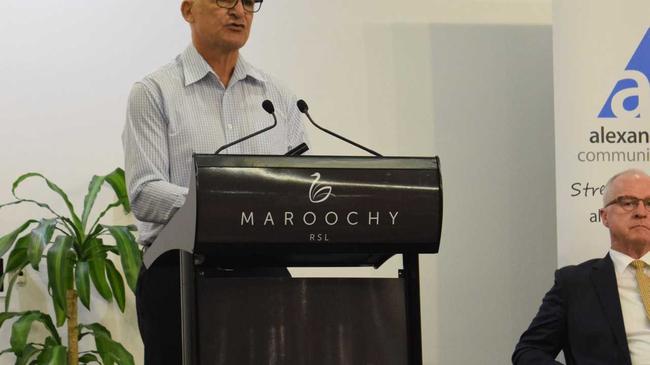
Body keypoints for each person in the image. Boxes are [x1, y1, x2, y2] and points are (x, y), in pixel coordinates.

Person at [122, 0, 307, 363]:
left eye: (249, 1)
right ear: (188, 10)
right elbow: (145, 192)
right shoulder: (154, 92)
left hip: (264, 276)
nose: (239, 10)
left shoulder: (278, 97)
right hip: (179, 277)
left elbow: (298, 187)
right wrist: (227, 205)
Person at [512, 169, 650, 365]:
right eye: (628, 203)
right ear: (604, 217)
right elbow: (529, 351)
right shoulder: (574, 284)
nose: (641, 212)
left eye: (649, 204)